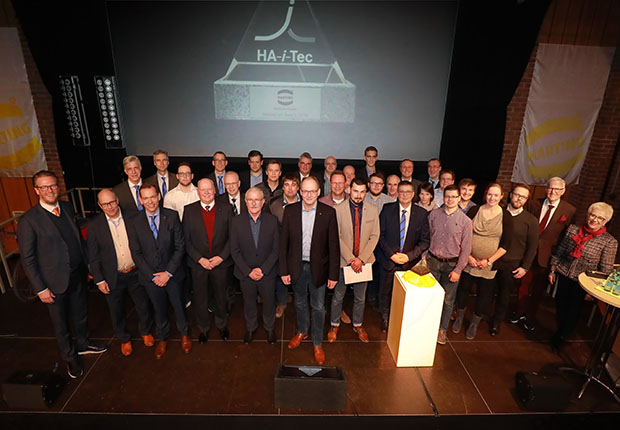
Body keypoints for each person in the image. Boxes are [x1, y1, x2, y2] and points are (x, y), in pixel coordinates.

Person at [18, 170, 107, 378]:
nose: (49, 190)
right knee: (60, 323)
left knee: (81, 313)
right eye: (44, 187)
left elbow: (77, 241)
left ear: (57, 187)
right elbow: (28, 259)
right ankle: (69, 358)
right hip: (52, 282)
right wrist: (40, 288)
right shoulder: (29, 220)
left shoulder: (67, 207)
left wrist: (89, 267)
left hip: (77, 275)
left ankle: (83, 344)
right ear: (36, 190)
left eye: (52, 185)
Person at [280, 177, 340, 365]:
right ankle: (302, 330)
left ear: (318, 192)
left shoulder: (329, 213)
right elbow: (283, 245)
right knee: (298, 302)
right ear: (299, 192)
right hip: (296, 267)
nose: (308, 195)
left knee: (319, 306)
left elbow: (334, 247)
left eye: (312, 191)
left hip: (319, 269)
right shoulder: (290, 211)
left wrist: (333, 275)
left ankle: (317, 342)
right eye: (305, 191)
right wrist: (284, 270)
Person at [127, 183, 191, 359]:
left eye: (153, 197)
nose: (150, 201)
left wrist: (168, 273)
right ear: (141, 200)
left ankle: (184, 335)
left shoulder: (171, 216)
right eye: (146, 198)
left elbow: (180, 246)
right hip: (151, 277)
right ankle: (163, 338)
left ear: (158, 196)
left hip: (173, 274)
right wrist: (152, 276)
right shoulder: (134, 222)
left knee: (179, 306)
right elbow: (136, 252)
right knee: (159, 308)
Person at [87, 189, 154, 356]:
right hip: (112, 276)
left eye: (111, 202)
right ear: (100, 205)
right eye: (105, 204)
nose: (109, 207)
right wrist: (99, 280)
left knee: (143, 305)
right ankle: (124, 338)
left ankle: (145, 331)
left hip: (136, 272)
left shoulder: (134, 217)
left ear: (117, 200)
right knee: (116, 310)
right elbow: (93, 256)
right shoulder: (95, 226)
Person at [548, 202, 617, 352]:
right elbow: (559, 252)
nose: (594, 220)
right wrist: (552, 269)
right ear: (588, 215)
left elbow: (605, 270)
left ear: (605, 221)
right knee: (560, 306)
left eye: (600, 218)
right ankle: (561, 331)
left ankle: (561, 336)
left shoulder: (609, 242)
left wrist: (593, 290)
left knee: (573, 311)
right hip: (564, 274)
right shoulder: (573, 230)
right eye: (592, 215)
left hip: (583, 283)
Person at [512, 177, 576, 331]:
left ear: (563, 191)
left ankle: (530, 316)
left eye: (557, 189)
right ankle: (518, 312)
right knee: (523, 286)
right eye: (550, 188)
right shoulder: (534, 204)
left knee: (538, 289)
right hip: (528, 253)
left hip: (547, 256)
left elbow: (565, 236)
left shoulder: (569, 210)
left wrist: (556, 260)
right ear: (546, 189)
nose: (552, 192)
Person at [453, 183, 512, 340]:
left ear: (501, 196)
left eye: (495, 195)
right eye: (489, 194)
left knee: (484, 295)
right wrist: (468, 256)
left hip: (489, 264)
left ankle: (474, 323)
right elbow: (463, 235)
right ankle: (459, 317)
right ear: (485, 195)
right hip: (469, 259)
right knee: (463, 290)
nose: (492, 198)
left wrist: (489, 261)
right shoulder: (474, 210)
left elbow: (506, 245)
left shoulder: (506, 216)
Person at [328, 179, 380, 343]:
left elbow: (375, 236)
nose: (358, 195)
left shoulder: (372, 209)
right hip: (344, 261)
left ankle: (358, 324)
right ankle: (334, 324)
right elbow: (337, 237)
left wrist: (361, 259)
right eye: (356, 191)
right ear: (349, 189)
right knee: (338, 296)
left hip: (364, 263)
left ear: (366, 191)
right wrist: (351, 259)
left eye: (362, 192)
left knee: (360, 297)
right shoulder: (337, 210)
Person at [183, 178, 233, 343]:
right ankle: (203, 328)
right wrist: (199, 259)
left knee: (221, 297)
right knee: (200, 298)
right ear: (198, 192)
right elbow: (186, 240)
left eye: (209, 189)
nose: (206, 192)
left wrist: (221, 257)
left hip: (221, 263)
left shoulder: (227, 209)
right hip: (198, 265)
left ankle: (221, 325)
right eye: (203, 189)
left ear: (215, 191)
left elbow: (233, 238)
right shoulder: (189, 210)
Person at [377, 181, 430, 331]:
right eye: (401, 192)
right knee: (385, 292)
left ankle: (402, 319)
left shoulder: (421, 213)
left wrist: (409, 256)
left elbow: (425, 241)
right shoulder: (387, 210)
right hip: (389, 261)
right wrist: (391, 255)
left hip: (409, 263)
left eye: (408, 192)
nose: (404, 194)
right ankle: (385, 318)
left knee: (405, 295)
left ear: (413, 194)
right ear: (397, 193)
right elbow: (379, 236)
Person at [230, 187, 279, 344]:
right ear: (245, 201)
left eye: (256, 200)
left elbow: (276, 249)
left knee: (269, 303)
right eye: (250, 200)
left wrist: (263, 269)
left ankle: (269, 328)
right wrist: (248, 271)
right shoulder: (236, 222)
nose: (253, 203)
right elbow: (234, 250)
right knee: (249, 303)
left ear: (263, 202)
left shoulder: (272, 221)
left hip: (268, 273)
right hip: (246, 274)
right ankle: (251, 328)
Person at [426, 185, 472, 345]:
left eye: (454, 197)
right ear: (443, 197)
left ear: (459, 198)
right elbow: (429, 236)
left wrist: (459, 269)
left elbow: (466, 249)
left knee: (447, 300)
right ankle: (427, 326)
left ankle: (441, 330)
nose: (450, 199)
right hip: (432, 261)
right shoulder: (433, 215)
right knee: (430, 297)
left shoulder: (466, 222)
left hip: (451, 265)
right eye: (447, 196)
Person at [491, 184, 538, 336]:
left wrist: (525, 267)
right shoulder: (498, 212)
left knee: (504, 295)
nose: (519, 198)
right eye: (517, 195)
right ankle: (481, 316)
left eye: (523, 197)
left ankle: (496, 323)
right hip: (491, 259)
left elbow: (532, 247)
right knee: (487, 292)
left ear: (526, 200)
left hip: (511, 263)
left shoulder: (530, 220)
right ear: (510, 195)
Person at [269, 173, 301, 318]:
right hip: (280, 247)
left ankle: (300, 301)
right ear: (283, 187)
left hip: (301, 247)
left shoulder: (306, 202)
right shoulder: (274, 204)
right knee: (280, 275)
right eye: (287, 185)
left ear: (298, 187)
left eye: (293, 185)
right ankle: (282, 302)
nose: (290, 188)